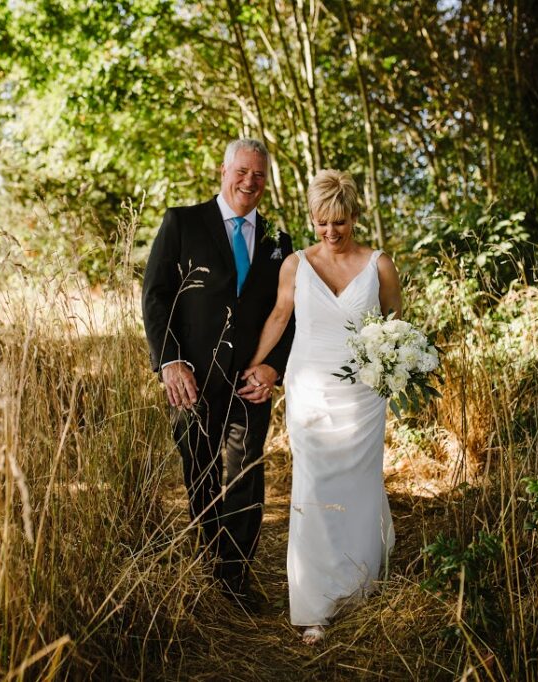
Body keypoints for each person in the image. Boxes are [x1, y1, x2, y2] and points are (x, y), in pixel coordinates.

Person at [243, 169, 401, 643]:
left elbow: (394, 321)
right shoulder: (295, 264)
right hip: (309, 386)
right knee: (312, 486)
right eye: (320, 224)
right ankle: (314, 604)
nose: (330, 233)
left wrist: (392, 367)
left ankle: (358, 588)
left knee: (358, 486)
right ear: (311, 219)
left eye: (340, 223)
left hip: (363, 395)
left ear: (354, 216)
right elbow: (279, 316)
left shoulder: (379, 264)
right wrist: (253, 365)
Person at [141, 138, 295, 609]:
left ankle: (235, 581)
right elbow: (156, 296)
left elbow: (288, 313)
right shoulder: (181, 223)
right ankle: (207, 569)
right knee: (200, 473)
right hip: (192, 380)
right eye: (242, 171)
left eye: (260, 175)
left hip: (251, 383)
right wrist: (169, 362)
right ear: (223, 171)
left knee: (246, 474)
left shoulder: (278, 242)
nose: (250, 181)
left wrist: (274, 366)